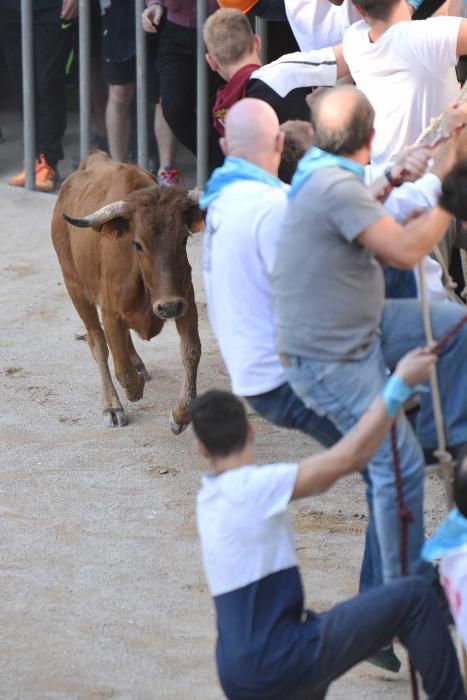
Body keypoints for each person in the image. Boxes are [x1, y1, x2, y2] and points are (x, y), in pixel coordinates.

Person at [272, 85, 467, 584]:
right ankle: (398, 600)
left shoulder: (323, 169)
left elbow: (378, 189)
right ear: (371, 136)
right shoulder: (335, 186)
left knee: (456, 324)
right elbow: (403, 250)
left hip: (354, 324)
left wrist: (432, 149)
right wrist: (452, 194)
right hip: (330, 354)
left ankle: (446, 439)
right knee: (397, 467)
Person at [192, 355, 467, 700]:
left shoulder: (208, 498)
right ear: (251, 430)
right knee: (414, 597)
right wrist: (396, 387)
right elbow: (347, 458)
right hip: (283, 657)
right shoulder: (253, 487)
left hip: (237, 672)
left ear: (200, 448)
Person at [342, 0, 467, 165]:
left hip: (386, 174)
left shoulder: (353, 39)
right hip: (439, 174)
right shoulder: (426, 37)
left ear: (358, 9)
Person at [203, 8, 347, 137]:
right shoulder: (284, 72)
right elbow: (352, 53)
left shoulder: (223, 113)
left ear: (211, 61)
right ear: (257, 42)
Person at [0, 0, 77, 191]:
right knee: (22, 83)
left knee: (49, 82)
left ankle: (48, 161)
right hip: (10, 8)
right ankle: (34, 159)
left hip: (52, 7)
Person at [143, 0, 223, 169]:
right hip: (174, 29)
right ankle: (215, 165)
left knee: (218, 109)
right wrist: (154, 3)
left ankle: (218, 171)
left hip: (221, 26)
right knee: (173, 109)